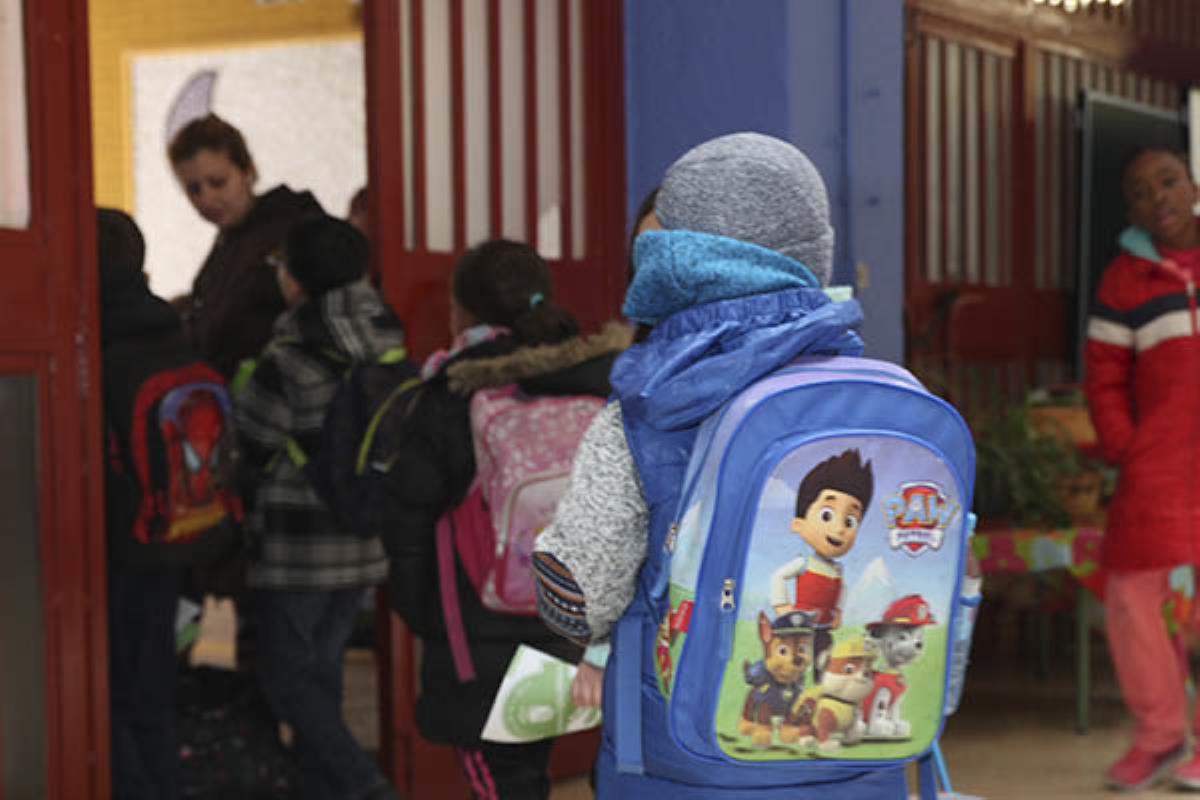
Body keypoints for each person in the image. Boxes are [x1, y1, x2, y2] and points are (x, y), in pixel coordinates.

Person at [533, 132, 868, 797]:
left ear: (667, 255)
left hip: (681, 765)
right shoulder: (877, 398)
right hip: (855, 759)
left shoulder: (644, 409)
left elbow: (576, 602)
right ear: (814, 248)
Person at [384, 239, 629, 799]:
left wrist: (427, 616)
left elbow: (406, 519)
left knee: (497, 778)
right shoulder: (591, 380)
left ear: (461, 311)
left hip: (478, 625)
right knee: (530, 766)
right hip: (568, 613)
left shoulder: (454, 390)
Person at [235, 216, 401, 800]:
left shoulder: (289, 351)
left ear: (297, 280)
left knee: (286, 680)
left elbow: (251, 440)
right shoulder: (388, 337)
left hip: (297, 544)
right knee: (322, 673)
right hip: (363, 534)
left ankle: (365, 786)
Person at [1085, 146, 1200, 792]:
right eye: (1141, 192)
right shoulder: (1122, 283)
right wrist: (1125, 445)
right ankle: (1158, 736)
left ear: (1193, 184)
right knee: (1132, 597)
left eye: (1169, 182)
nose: (1159, 198)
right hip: (1154, 466)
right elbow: (1103, 378)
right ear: (1130, 210)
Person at [97, 208, 187, 800]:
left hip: (114, 542)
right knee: (153, 679)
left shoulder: (99, 339)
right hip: (178, 532)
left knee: (112, 688)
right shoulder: (174, 330)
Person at [169, 113, 324, 379]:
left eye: (218, 182)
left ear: (248, 171)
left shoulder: (294, 230)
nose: (207, 199)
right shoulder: (228, 243)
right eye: (194, 189)